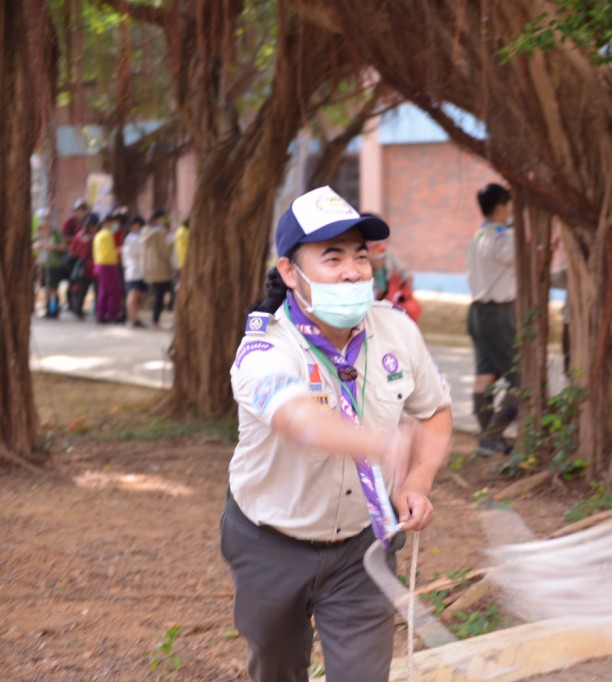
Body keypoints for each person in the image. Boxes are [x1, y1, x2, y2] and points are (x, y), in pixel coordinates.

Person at [222, 185, 452, 682]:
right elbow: (298, 420)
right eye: (332, 257)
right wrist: (380, 444)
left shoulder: (396, 330)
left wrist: (416, 482)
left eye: (360, 256)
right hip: (270, 541)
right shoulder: (263, 349)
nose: (352, 271)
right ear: (290, 271)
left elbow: (435, 412)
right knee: (278, 669)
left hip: (362, 545)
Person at [465, 182, 518, 456]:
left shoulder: (478, 236)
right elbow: (519, 256)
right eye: (509, 206)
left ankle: (489, 438)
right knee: (522, 381)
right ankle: (491, 437)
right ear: (500, 207)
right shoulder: (502, 237)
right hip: (498, 314)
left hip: (477, 311)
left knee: (484, 378)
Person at [141, 209, 175, 328]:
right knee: (162, 296)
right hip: (161, 270)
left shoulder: (144, 232)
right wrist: (171, 244)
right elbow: (165, 253)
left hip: (150, 269)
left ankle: (155, 320)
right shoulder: (158, 234)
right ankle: (156, 320)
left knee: (158, 296)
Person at [33, 218, 66, 318]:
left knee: (53, 290)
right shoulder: (40, 235)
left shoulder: (56, 235)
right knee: (47, 289)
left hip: (54, 265)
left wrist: (50, 246)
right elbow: (34, 245)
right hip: (44, 265)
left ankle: (53, 311)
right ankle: (49, 309)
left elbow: (63, 247)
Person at [92, 214, 122, 324]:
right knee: (114, 290)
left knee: (103, 291)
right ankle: (112, 314)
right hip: (108, 264)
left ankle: (101, 314)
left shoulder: (99, 235)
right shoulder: (107, 235)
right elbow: (108, 252)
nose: (115, 225)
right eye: (114, 222)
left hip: (100, 264)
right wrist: (118, 251)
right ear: (108, 223)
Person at [122, 215, 147, 328]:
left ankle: (134, 317)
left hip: (137, 270)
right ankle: (133, 319)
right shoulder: (132, 238)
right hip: (134, 269)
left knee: (137, 294)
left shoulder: (134, 237)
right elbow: (137, 254)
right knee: (133, 294)